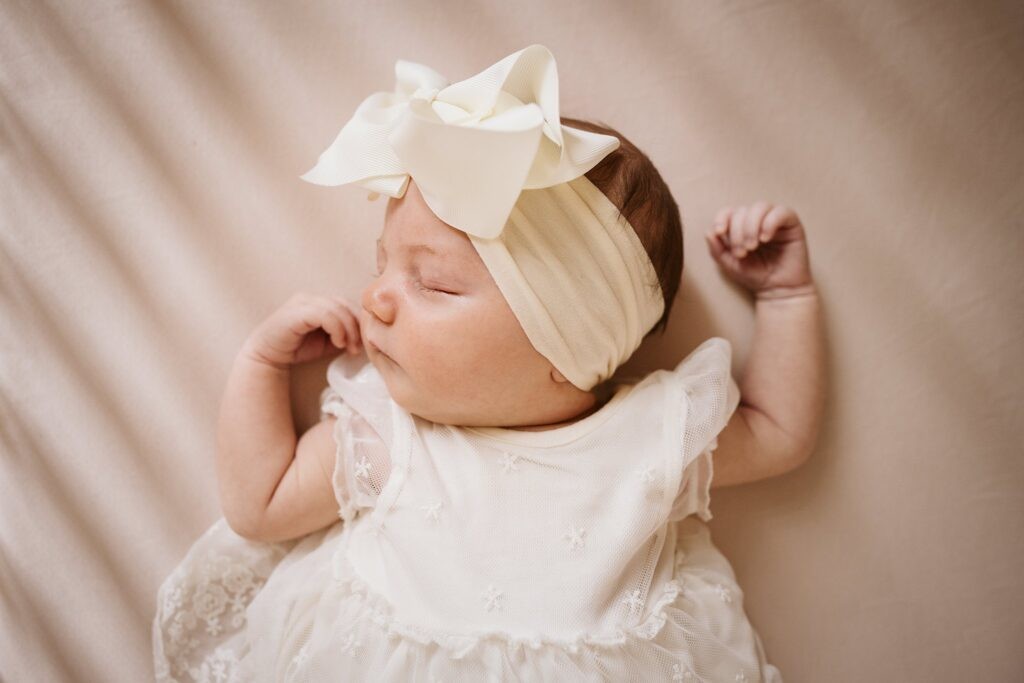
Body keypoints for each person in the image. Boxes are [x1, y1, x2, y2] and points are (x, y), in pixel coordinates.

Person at [153, 44, 825, 682]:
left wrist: (787, 297)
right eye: (381, 263)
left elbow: (777, 433)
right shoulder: (391, 433)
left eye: (433, 284)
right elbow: (260, 505)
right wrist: (261, 362)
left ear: (567, 346)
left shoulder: (648, 434)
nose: (374, 297)